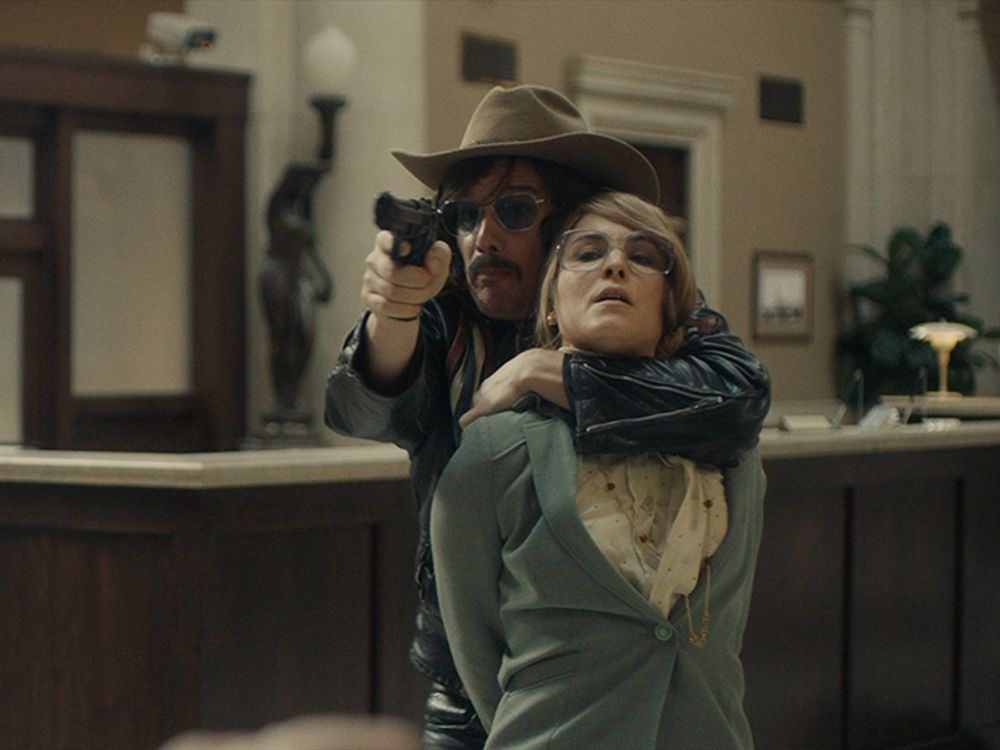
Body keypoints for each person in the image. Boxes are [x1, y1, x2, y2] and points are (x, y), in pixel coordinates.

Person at [325, 85, 769, 749]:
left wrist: (554, 373)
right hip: (480, 697)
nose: (484, 237)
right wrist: (395, 309)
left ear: (566, 224)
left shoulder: (639, 289)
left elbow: (737, 398)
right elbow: (363, 408)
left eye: (514, 209)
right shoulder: (446, 314)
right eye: (465, 215)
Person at [431, 192, 766, 749]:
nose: (615, 265)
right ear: (551, 307)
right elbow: (476, 643)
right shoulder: (494, 449)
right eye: (587, 253)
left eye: (643, 257)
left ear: (671, 307)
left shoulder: (732, 448)